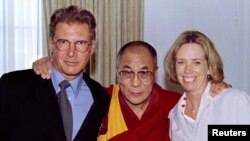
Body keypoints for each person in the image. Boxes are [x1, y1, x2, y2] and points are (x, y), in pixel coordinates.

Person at [0, 5, 110, 141]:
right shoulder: (13, 86)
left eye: (80, 43)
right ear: (51, 43)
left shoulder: (101, 97)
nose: (71, 53)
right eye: (63, 42)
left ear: (92, 47)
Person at [164, 30, 250, 141]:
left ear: (209, 67)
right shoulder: (174, 117)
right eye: (181, 62)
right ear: (174, 68)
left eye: (196, 62)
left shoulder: (235, 102)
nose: (187, 70)